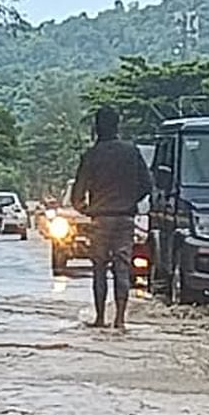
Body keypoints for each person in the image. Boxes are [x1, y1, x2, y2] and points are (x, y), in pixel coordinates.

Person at [70, 108, 154, 326]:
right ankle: (120, 319)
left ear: (96, 127)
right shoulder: (132, 152)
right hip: (125, 218)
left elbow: (76, 196)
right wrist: (129, 202)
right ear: (118, 126)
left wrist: (88, 210)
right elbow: (147, 185)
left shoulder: (91, 155)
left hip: (100, 219)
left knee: (99, 269)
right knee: (122, 268)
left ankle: (99, 318)